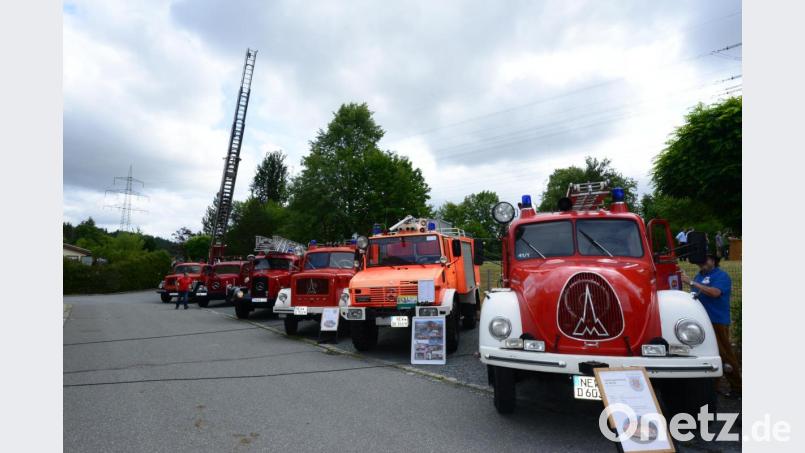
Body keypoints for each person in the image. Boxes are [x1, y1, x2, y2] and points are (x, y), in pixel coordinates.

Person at [681, 254, 741, 397]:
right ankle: (714, 388)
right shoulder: (698, 276)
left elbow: (715, 293)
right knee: (709, 354)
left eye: (706, 260)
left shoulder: (721, 276)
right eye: (701, 260)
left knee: (725, 354)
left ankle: (737, 387)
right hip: (702, 321)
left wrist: (691, 283)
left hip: (717, 320)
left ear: (713, 261)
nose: (703, 263)